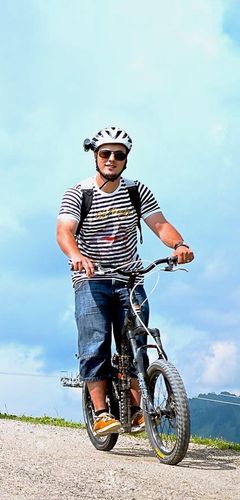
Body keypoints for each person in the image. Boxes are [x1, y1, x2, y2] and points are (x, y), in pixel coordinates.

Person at [56, 126, 195, 435]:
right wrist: (77, 255)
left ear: (126, 160)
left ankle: (135, 410)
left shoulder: (136, 191)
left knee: (136, 342)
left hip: (130, 277)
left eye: (119, 155)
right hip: (91, 278)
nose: (111, 159)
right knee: (95, 343)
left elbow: (159, 224)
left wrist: (179, 245)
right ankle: (102, 413)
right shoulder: (79, 193)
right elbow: (64, 231)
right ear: (95, 156)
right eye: (105, 153)